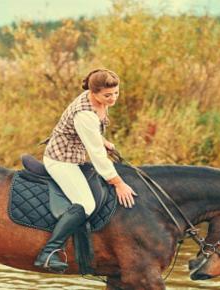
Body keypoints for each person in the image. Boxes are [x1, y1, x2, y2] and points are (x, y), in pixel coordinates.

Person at [34, 68, 137, 272]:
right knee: (85, 204)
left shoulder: (98, 101)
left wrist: (102, 140)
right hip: (61, 160)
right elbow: (97, 156)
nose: (113, 98)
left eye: (116, 93)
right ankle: (49, 252)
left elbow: (90, 136)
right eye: (108, 95)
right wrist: (118, 183)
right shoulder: (85, 114)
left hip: (75, 157)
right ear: (93, 92)